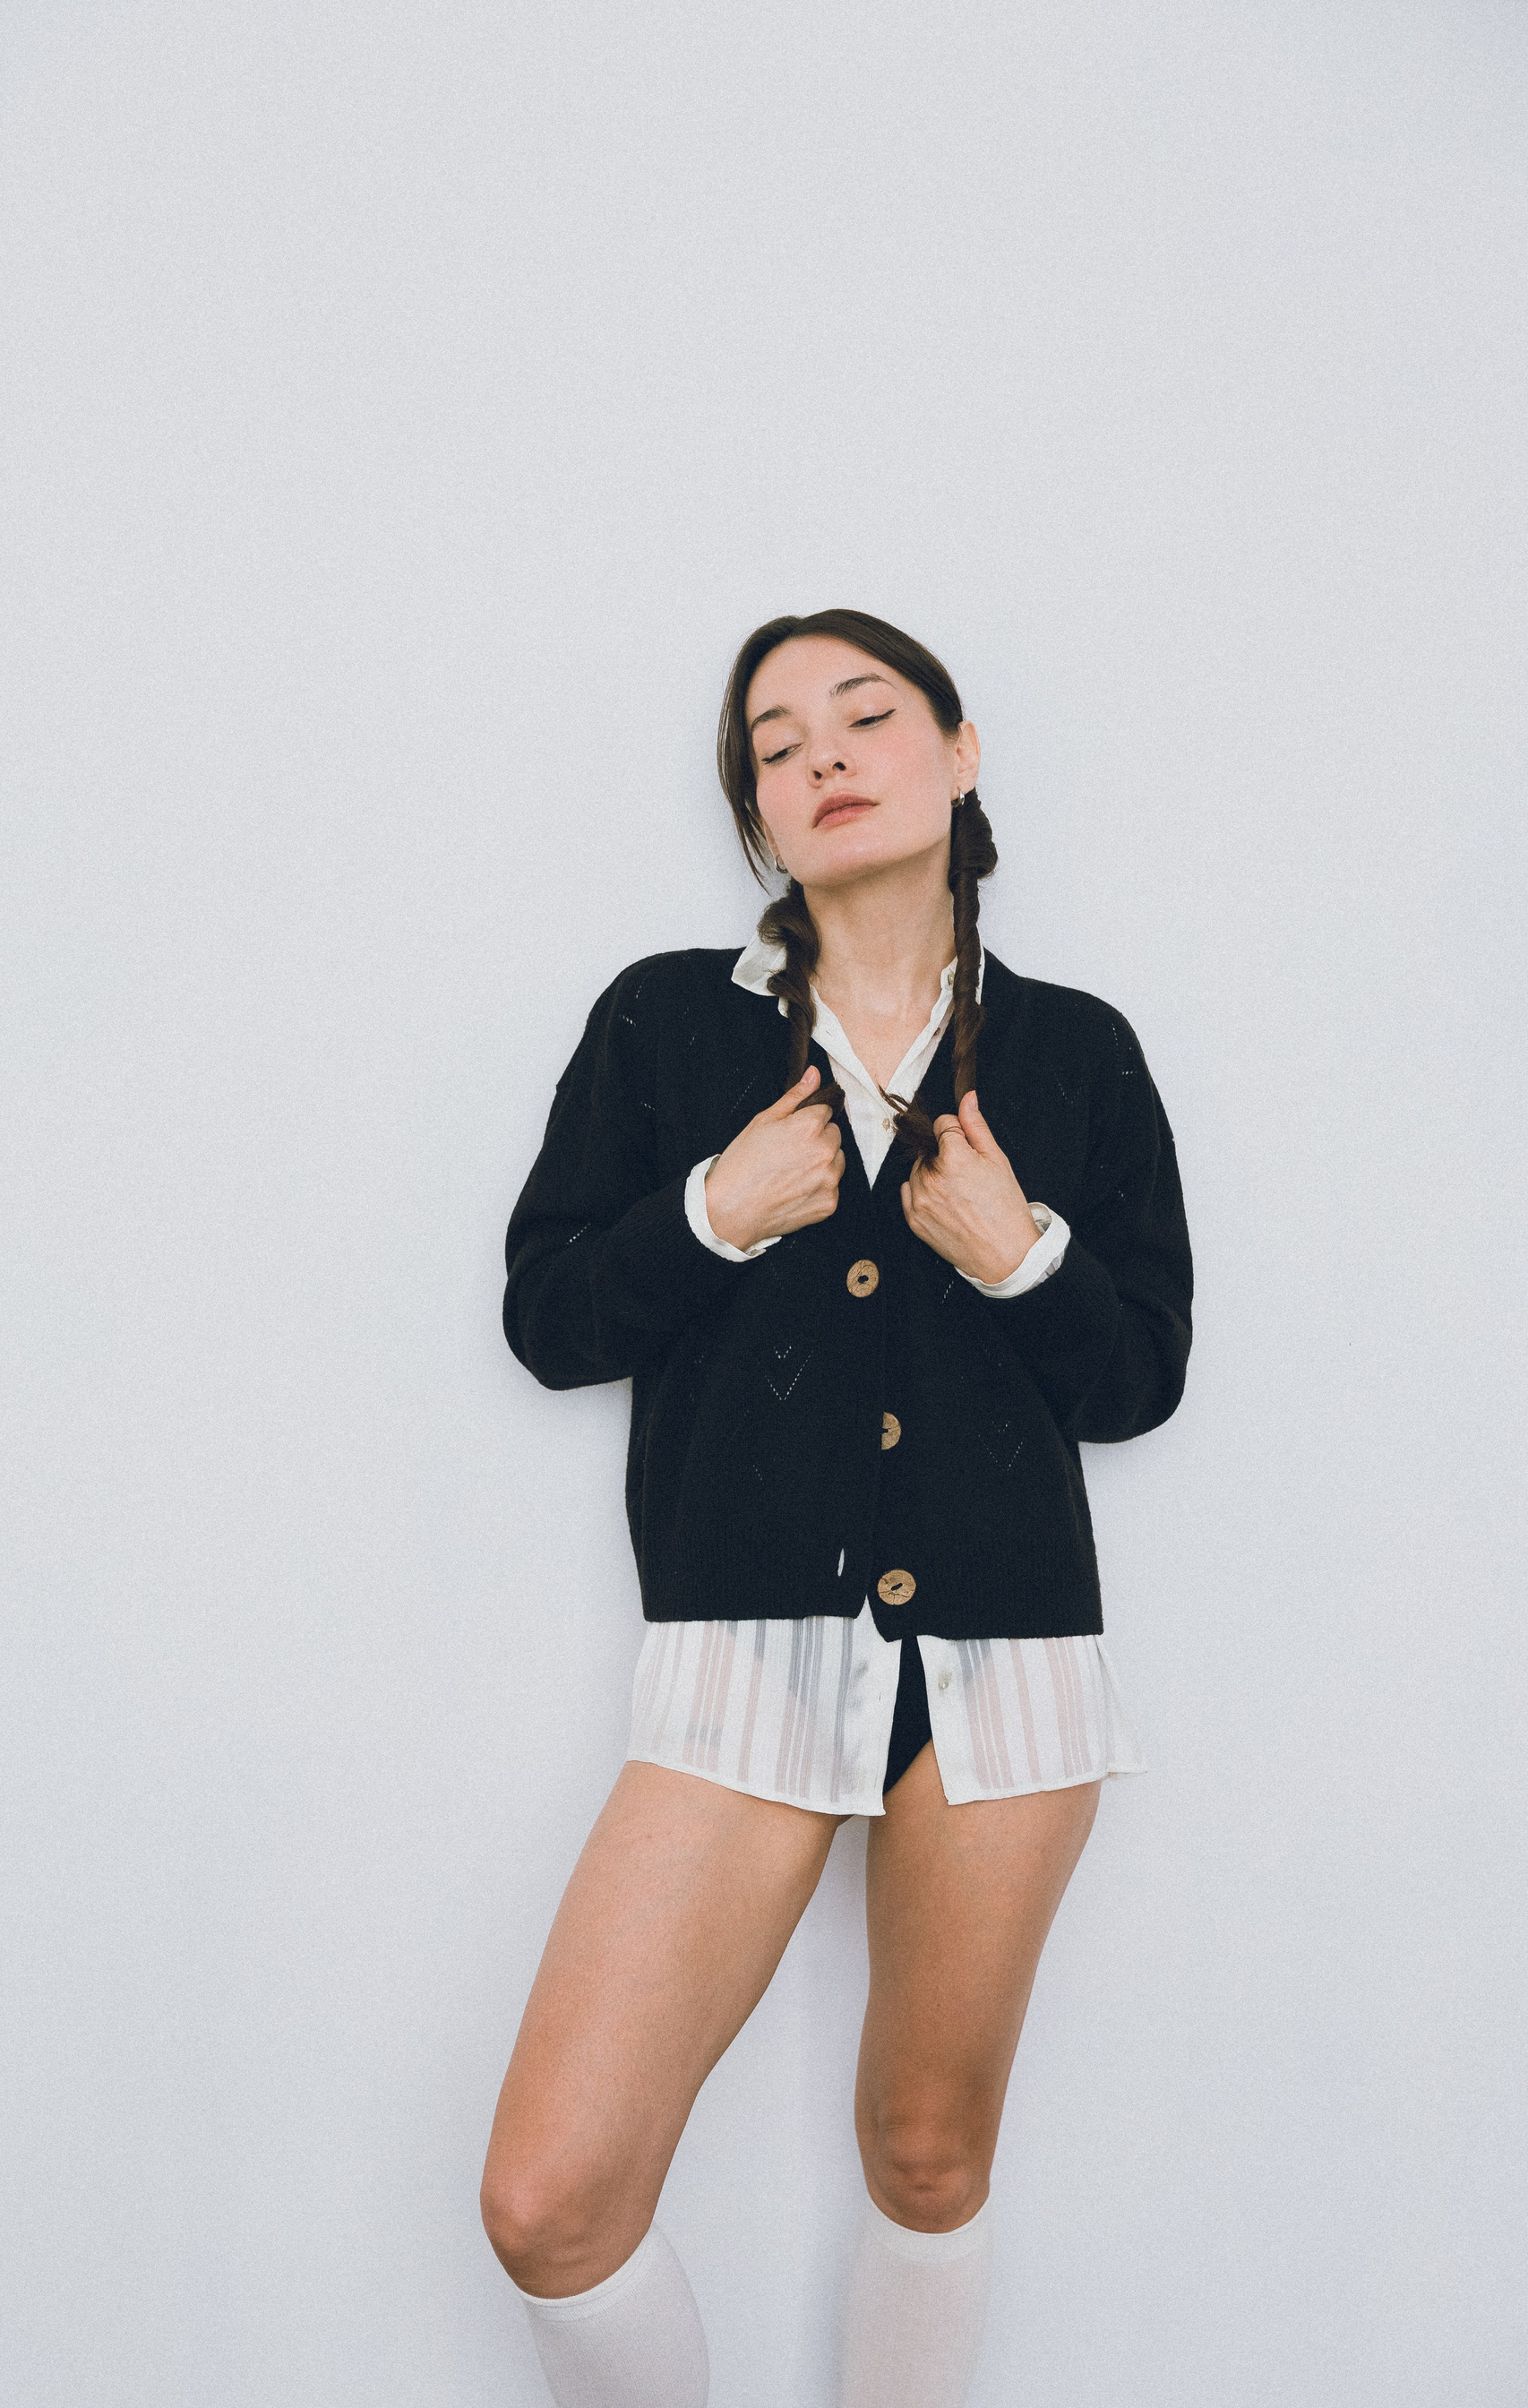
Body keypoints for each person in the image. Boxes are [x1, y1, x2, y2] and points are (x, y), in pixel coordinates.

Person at [484, 608, 1194, 2407]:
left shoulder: (1080, 1053)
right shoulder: (663, 1024)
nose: (823, 758)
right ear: (759, 819)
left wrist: (1018, 1254)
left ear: (959, 752)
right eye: (777, 747)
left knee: (929, 2154)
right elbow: (549, 1319)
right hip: (741, 1659)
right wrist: (711, 1212)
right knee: (551, 2203)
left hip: (1008, 1669)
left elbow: (1139, 1380)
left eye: (865, 716)